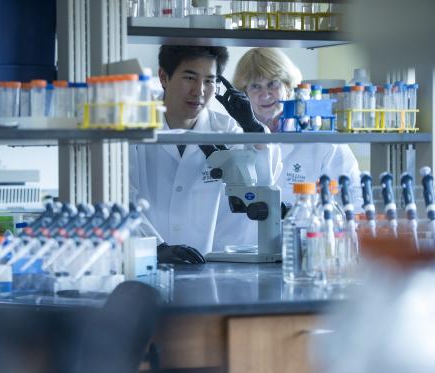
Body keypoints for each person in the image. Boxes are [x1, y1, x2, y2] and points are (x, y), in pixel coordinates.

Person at [130, 45, 282, 264]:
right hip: (144, 264)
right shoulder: (133, 129)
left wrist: (253, 129)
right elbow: (119, 198)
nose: (199, 90)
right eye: (190, 78)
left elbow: (262, 186)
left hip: (207, 268)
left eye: (209, 81)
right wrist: (155, 247)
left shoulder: (227, 130)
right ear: (164, 77)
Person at [232, 48, 361, 204]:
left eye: (273, 84)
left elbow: (355, 201)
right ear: (244, 92)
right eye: (255, 86)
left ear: (288, 88)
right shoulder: (232, 138)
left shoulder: (325, 143)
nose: (265, 95)